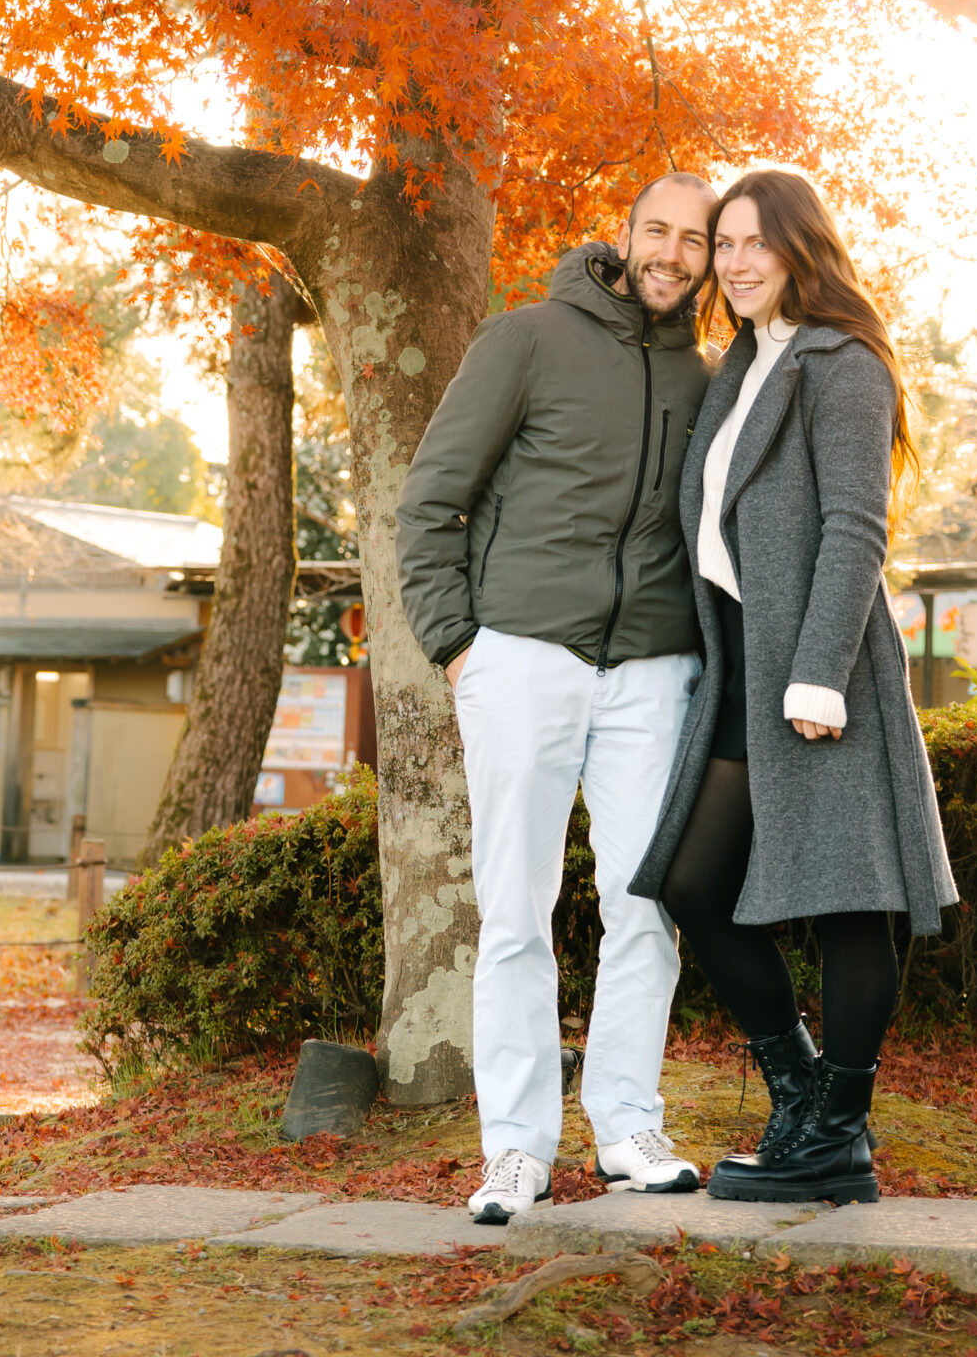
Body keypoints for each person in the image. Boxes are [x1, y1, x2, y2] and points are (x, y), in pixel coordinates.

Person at [630, 169, 958, 1205]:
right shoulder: (739, 364)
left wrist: (820, 670)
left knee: (850, 901)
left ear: (800, 246)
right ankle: (804, 1095)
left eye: (752, 242)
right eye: (721, 244)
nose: (731, 262)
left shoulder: (841, 361)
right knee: (692, 882)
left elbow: (858, 525)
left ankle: (837, 1131)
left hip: (822, 672)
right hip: (741, 665)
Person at [396, 173, 716, 1224]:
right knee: (515, 909)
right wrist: (458, 644)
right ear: (624, 237)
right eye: (658, 230)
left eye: (696, 239)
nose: (673, 251)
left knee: (647, 900)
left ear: (712, 260)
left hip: (650, 667)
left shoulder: (709, 378)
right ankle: (517, 1150)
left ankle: (626, 1123)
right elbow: (433, 496)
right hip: (522, 654)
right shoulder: (526, 337)